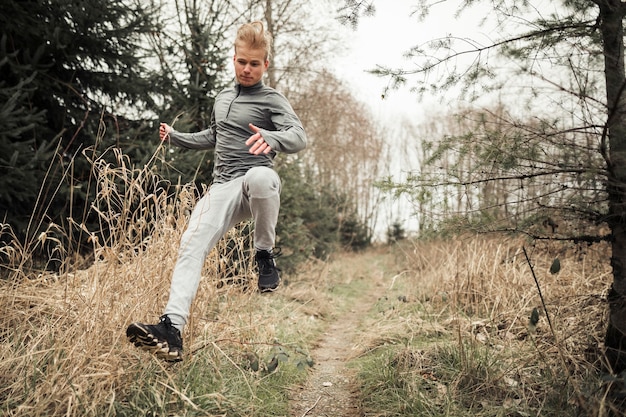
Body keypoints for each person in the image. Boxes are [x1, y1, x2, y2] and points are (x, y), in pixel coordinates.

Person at [126, 21, 307, 362]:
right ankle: (171, 329)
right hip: (222, 187)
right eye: (242, 62)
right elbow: (214, 135)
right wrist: (177, 136)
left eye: (255, 63)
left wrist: (273, 137)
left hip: (255, 184)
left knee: (262, 178)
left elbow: (299, 136)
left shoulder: (272, 99)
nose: (247, 69)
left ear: (265, 64)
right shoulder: (223, 98)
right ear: (234, 59)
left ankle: (264, 255)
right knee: (190, 244)